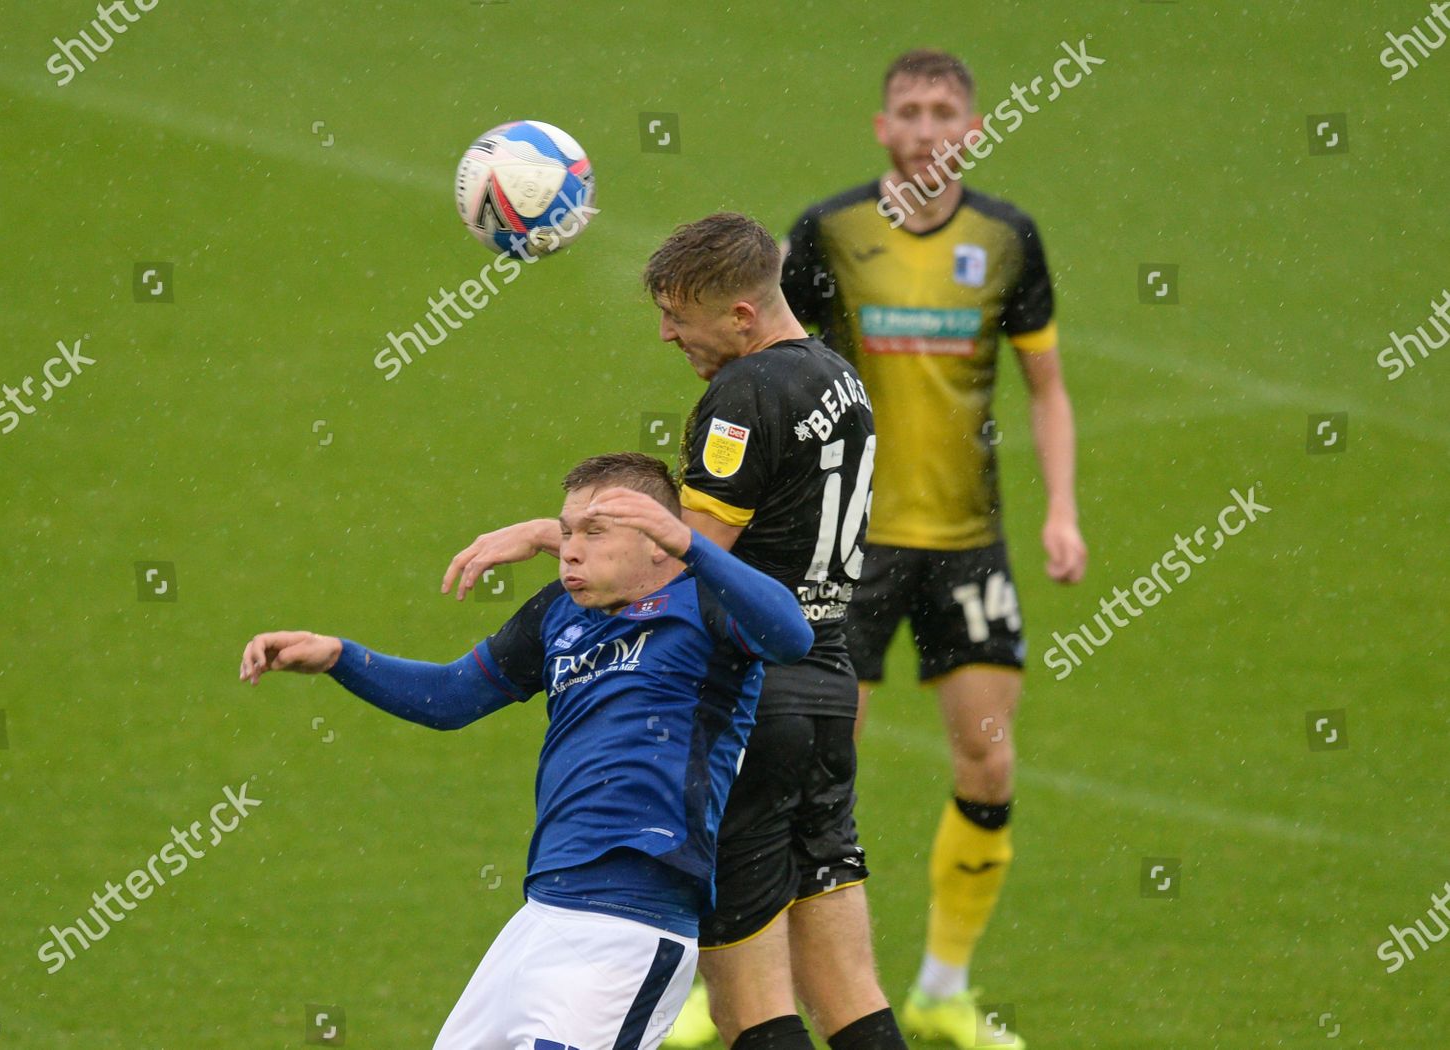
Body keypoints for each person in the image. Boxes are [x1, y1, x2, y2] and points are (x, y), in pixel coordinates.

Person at [446, 214, 908, 1049]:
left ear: (739, 314)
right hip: (830, 685)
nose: (666, 334)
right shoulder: (840, 377)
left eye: (677, 315)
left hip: (752, 694)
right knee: (847, 986)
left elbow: (679, 552)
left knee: (749, 1001)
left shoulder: (741, 395)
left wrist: (547, 533)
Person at [238, 453, 813, 1050]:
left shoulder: (708, 602)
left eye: (594, 533)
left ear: (656, 542)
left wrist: (692, 545)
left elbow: (792, 637)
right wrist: (339, 656)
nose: (569, 550)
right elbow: (450, 698)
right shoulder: (559, 613)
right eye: (564, 532)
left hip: (632, 923)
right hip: (541, 914)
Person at [779, 48, 1089, 1049]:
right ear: (882, 129)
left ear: (972, 127)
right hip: (848, 547)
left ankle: (943, 988)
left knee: (988, 765)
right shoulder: (829, 233)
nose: (923, 127)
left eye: (942, 110)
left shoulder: (1007, 240)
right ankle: (753, 986)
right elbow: (779, 371)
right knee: (813, 775)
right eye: (906, 111)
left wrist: (1062, 512)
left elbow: (1045, 387)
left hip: (967, 544)